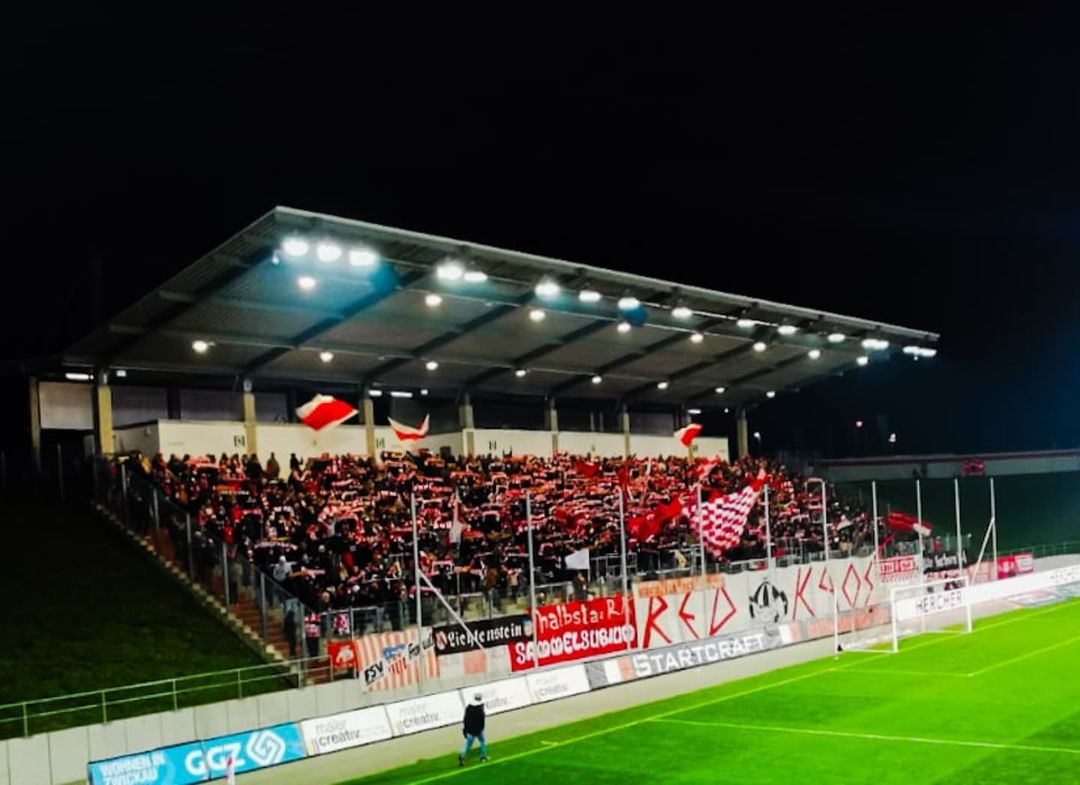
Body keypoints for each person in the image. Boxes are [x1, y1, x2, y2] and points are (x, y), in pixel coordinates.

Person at [458, 693, 488, 766]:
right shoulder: (480, 708)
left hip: (470, 730)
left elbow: (465, 719)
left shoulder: (469, 707)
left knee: (467, 746)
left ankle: (462, 755)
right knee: (482, 742)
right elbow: (482, 719)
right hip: (478, 729)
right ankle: (483, 756)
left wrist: (465, 729)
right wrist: (482, 727)